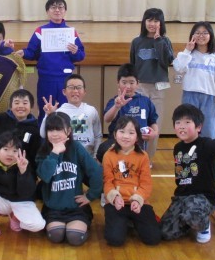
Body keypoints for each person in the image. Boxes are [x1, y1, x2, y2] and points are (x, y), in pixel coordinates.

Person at [160, 104, 215, 244]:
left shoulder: (205, 144)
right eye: (178, 123)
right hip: (182, 197)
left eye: (187, 122)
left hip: (203, 197)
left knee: (193, 213)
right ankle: (189, 222)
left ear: (198, 127)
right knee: (164, 232)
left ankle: (203, 225)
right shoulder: (178, 148)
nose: (182, 126)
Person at [36, 113, 103, 246]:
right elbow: (44, 176)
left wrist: (90, 195)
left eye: (59, 129)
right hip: (53, 208)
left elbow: (96, 171)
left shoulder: (76, 147)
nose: (55, 134)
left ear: (69, 130)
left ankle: (82, 224)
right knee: (56, 235)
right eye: (51, 130)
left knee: (74, 237)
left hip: (76, 207)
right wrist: (54, 153)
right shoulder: (43, 151)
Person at [0, 131, 46, 247]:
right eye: (6, 149)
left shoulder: (24, 163)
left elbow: (27, 193)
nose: (10, 154)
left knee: (38, 225)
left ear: (19, 152)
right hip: (1, 200)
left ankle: (15, 218)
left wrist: (23, 172)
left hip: (20, 201)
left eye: (15, 151)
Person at [15, 0, 85, 109]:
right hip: (46, 79)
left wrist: (76, 51)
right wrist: (24, 53)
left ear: (65, 11)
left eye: (60, 7)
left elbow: (81, 56)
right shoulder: (40, 31)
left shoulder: (71, 32)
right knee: (45, 111)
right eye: (53, 7)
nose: (57, 10)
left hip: (66, 79)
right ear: (47, 11)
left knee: (66, 112)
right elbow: (32, 53)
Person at [101, 115, 161, 247]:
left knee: (153, 238)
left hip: (138, 202)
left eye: (131, 133)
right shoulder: (108, 155)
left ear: (137, 137)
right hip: (117, 203)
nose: (126, 136)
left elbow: (146, 184)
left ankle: (131, 221)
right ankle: (125, 222)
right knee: (115, 239)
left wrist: (137, 200)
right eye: (122, 131)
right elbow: (107, 182)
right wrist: (115, 197)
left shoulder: (143, 156)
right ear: (115, 134)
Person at [129, 8, 174, 161]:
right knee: (138, 123)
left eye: (156, 21)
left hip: (157, 88)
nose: (152, 24)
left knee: (155, 124)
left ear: (161, 23)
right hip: (140, 87)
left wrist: (158, 41)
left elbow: (167, 61)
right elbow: (132, 65)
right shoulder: (136, 41)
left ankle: (148, 159)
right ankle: (136, 156)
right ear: (144, 22)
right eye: (149, 20)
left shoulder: (165, 41)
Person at [172, 21, 215, 139]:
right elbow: (179, 68)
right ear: (192, 35)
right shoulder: (188, 54)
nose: (201, 36)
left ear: (210, 35)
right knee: (188, 129)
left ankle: (208, 151)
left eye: (204, 33)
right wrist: (187, 50)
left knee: (208, 130)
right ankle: (189, 150)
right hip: (189, 95)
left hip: (209, 97)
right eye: (197, 33)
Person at [96, 64, 158, 164]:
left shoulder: (145, 101)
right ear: (118, 83)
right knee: (102, 150)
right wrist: (116, 106)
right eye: (124, 82)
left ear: (137, 83)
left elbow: (153, 121)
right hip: (116, 142)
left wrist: (154, 133)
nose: (128, 86)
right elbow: (107, 119)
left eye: (131, 82)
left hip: (137, 144)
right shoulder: (114, 101)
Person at [39, 73, 103, 157]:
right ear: (64, 92)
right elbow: (43, 134)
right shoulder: (59, 112)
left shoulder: (91, 110)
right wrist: (48, 115)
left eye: (79, 87)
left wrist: (95, 155)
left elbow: (98, 135)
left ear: (84, 91)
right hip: (67, 157)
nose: (75, 91)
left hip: (88, 156)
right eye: (71, 87)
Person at [0, 88, 41, 170]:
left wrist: (29, 171)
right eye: (16, 103)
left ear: (31, 107)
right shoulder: (3, 118)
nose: (21, 106)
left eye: (25, 103)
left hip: (19, 167)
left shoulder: (35, 127)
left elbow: (34, 152)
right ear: (11, 106)